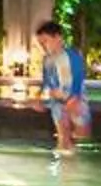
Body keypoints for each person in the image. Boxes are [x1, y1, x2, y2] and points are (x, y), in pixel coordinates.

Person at [33, 20, 91, 150]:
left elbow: (79, 76)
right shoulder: (47, 59)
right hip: (57, 101)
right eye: (40, 44)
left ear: (58, 37)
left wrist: (74, 97)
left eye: (45, 42)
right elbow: (46, 79)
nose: (43, 46)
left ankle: (79, 161)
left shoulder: (71, 56)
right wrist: (39, 95)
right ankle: (65, 162)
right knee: (63, 137)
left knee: (82, 137)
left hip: (76, 99)